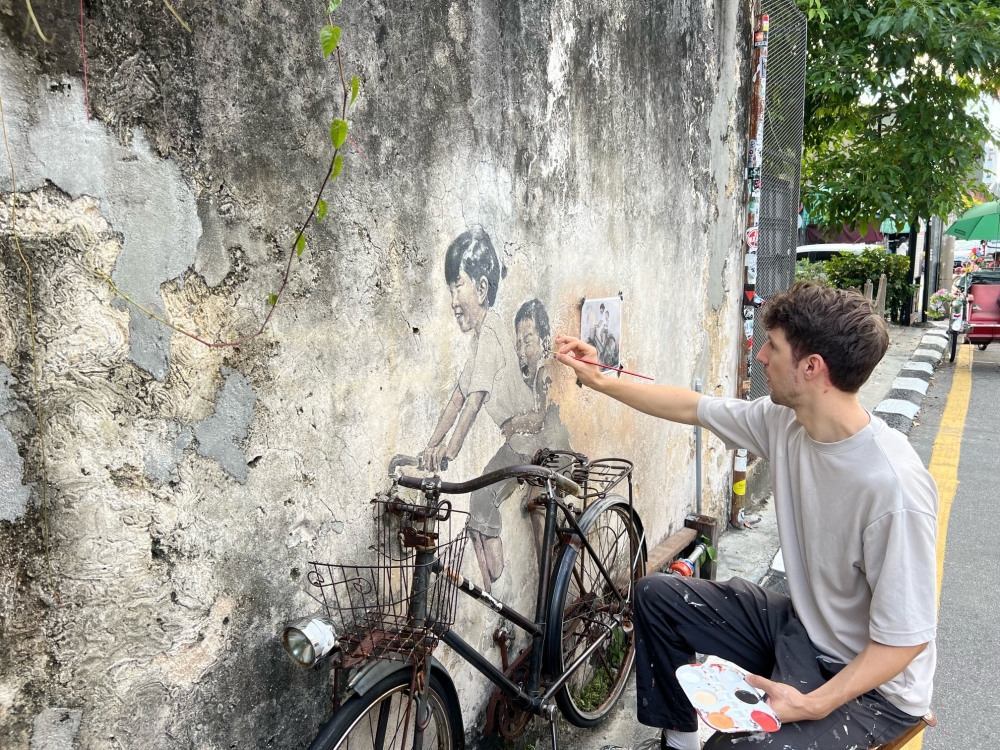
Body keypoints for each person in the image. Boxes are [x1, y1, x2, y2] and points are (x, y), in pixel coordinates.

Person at [554, 283, 938, 750]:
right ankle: (679, 740)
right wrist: (599, 378)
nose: (759, 358)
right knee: (658, 596)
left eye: (772, 347)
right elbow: (691, 407)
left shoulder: (893, 488)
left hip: (871, 692)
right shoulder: (787, 423)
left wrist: (811, 704)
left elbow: (905, 641)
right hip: (805, 631)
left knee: (734, 747)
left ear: (812, 367)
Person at [419, 228, 534, 594]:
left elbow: (473, 402)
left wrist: (448, 452)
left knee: (482, 500)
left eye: (458, 286)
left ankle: (499, 594)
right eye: (450, 289)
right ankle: (491, 594)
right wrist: (429, 446)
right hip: (515, 440)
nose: (453, 299)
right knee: (475, 519)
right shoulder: (481, 339)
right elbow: (456, 397)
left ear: (482, 289)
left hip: (528, 441)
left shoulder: (494, 333)